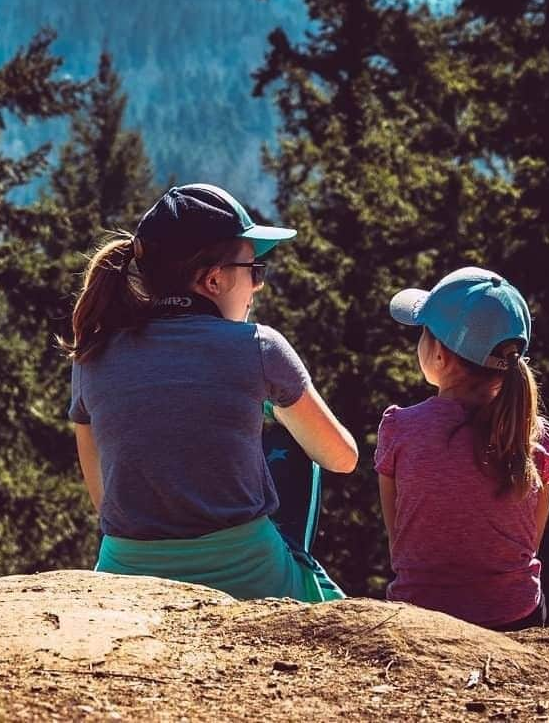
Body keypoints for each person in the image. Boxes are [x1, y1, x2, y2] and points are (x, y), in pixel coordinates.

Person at [64, 182, 358, 602]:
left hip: (126, 575)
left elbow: (103, 500)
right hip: (250, 577)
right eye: (254, 270)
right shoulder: (261, 346)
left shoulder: (93, 352)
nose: (258, 285)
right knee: (288, 436)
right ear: (214, 280)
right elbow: (341, 458)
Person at [375, 267, 549, 630]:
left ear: (440, 355)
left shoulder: (400, 428)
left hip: (422, 612)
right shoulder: (539, 441)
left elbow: (398, 539)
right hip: (516, 614)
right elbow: (528, 545)